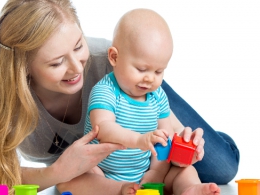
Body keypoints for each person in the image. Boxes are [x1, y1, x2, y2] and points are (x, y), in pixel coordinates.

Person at [0, 0, 239, 195]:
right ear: (24, 69)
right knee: (70, 183)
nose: (77, 67)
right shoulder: (0, 93)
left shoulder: (113, 63)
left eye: (78, 45)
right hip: (94, 169)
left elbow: (166, 133)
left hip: (139, 106)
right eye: (57, 62)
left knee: (222, 167)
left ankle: (218, 139)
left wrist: (187, 145)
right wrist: (58, 172)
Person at [81, 8, 220, 195]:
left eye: (158, 71)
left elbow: (164, 143)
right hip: (104, 173)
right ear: (114, 57)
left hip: (145, 174)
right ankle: (116, 190)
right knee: (82, 174)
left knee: (185, 170)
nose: (150, 79)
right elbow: (103, 130)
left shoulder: (158, 96)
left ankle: (189, 189)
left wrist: (156, 172)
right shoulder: (105, 91)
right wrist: (139, 140)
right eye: (141, 69)